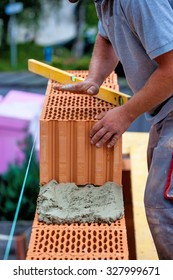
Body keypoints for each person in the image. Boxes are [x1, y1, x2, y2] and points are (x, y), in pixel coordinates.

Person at [56, 0, 173, 259]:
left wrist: (125, 114)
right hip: (164, 111)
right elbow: (106, 38)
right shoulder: (106, 1)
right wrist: (94, 79)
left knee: (163, 209)